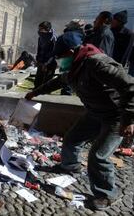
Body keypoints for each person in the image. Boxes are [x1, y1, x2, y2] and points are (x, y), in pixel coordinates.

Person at [25, 31, 134, 210]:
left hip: (116, 116)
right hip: (94, 112)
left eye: (60, 56)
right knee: (72, 138)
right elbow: (58, 82)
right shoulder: (74, 66)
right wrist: (35, 92)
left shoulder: (97, 63)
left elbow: (130, 86)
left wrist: (129, 120)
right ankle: (69, 166)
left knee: (98, 156)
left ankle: (106, 195)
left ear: (71, 51)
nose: (59, 60)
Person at [34, 21, 57, 90]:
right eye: (39, 29)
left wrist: (46, 64)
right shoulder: (40, 38)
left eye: (41, 29)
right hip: (41, 62)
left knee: (46, 84)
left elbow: (53, 53)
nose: (39, 30)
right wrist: (38, 60)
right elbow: (39, 50)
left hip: (50, 63)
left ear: (47, 29)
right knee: (37, 82)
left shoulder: (53, 39)